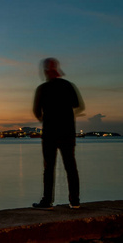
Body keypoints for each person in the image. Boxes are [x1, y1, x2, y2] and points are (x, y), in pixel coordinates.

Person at [32, 58, 85, 209]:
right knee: (70, 166)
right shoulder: (68, 86)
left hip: (50, 132)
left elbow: (37, 111)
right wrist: (66, 116)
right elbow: (79, 106)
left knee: (49, 168)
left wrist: (46, 118)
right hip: (67, 131)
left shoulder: (42, 89)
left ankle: (47, 201)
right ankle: (74, 201)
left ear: (46, 72)